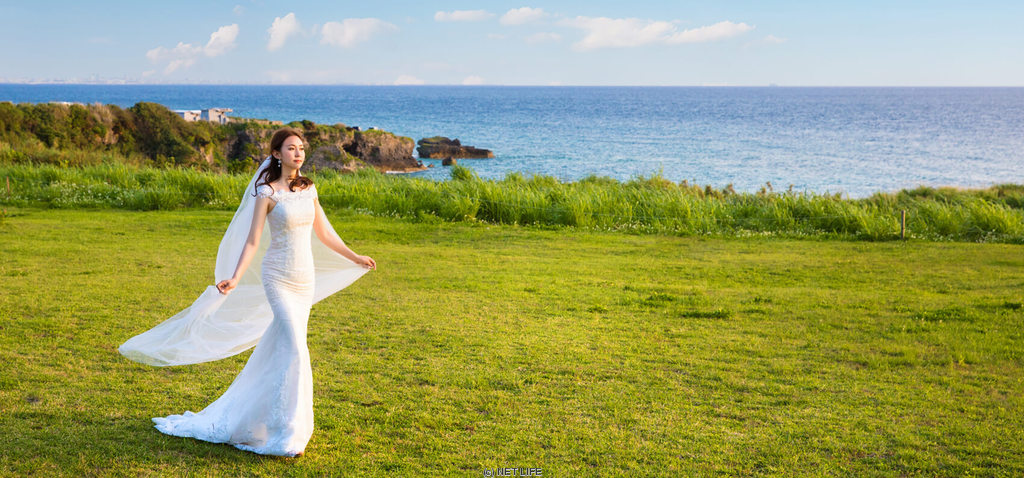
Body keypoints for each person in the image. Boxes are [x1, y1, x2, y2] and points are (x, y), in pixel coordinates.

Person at [118, 127, 375, 457]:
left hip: (304, 278)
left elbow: (324, 233)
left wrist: (355, 257)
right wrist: (235, 277)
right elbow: (252, 240)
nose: (298, 153)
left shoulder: (309, 188)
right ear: (277, 154)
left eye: (301, 148)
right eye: (291, 148)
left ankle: (266, 420)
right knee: (296, 348)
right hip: (278, 278)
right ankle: (289, 434)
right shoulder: (266, 192)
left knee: (283, 348)